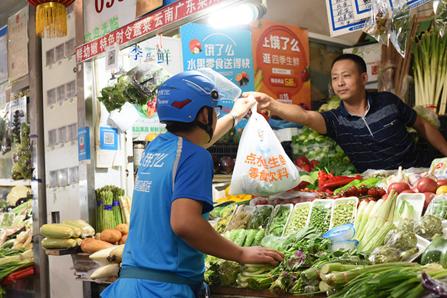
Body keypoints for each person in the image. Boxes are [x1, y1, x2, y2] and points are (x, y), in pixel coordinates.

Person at [101, 71, 283, 298]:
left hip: (131, 286)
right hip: (163, 290)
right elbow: (185, 224)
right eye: (214, 110)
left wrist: (235, 116)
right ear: (204, 116)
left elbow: (196, 143)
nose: (216, 115)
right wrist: (240, 254)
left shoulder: (156, 146)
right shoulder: (195, 156)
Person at [250, 54, 447, 172]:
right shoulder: (336, 120)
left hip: (419, 175)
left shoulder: (387, 101)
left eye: (346, 76)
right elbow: (305, 116)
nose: (340, 83)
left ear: (363, 78)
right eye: (335, 78)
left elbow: (421, 125)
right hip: (379, 191)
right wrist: (272, 104)